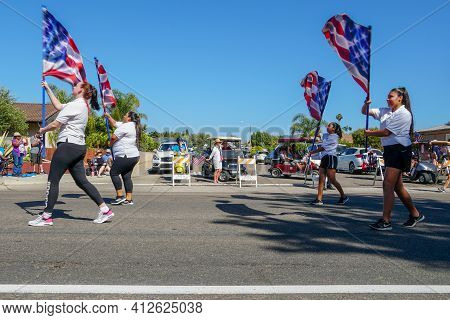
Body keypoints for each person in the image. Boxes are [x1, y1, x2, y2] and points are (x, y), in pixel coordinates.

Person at [28, 81, 113, 227]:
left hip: (67, 146)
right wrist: (48, 88)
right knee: (82, 181)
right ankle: (105, 210)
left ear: (82, 90)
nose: (73, 86)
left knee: (53, 180)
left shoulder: (76, 105)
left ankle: (47, 216)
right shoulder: (81, 105)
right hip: (78, 147)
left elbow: (56, 124)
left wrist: (42, 130)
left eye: (76, 85)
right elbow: (59, 106)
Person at [362, 87, 424, 231]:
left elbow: (386, 132)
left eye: (391, 96)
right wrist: (366, 104)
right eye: (387, 96)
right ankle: (416, 214)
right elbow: (365, 112)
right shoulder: (385, 111)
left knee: (387, 184)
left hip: (400, 150)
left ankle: (386, 221)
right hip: (390, 150)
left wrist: (369, 134)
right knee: (397, 186)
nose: (387, 99)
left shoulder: (404, 114)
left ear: (400, 98)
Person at [104, 111, 141, 205]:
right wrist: (108, 116)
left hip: (125, 155)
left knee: (114, 173)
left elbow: (113, 138)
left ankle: (119, 196)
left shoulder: (126, 126)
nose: (123, 116)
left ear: (129, 118)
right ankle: (129, 199)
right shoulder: (131, 125)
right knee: (126, 176)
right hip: (134, 156)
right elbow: (115, 123)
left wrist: (110, 145)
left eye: (125, 115)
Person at [309, 122, 348, 205]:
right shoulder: (326, 135)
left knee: (332, 179)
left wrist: (312, 152)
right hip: (324, 157)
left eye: (329, 126)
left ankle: (343, 196)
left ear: (333, 128)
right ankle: (319, 199)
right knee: (321, 179)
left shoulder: (335, 137)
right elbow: (318, 136)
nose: (327, 127)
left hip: (331, 157)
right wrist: (317, 129)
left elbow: (323, 148)